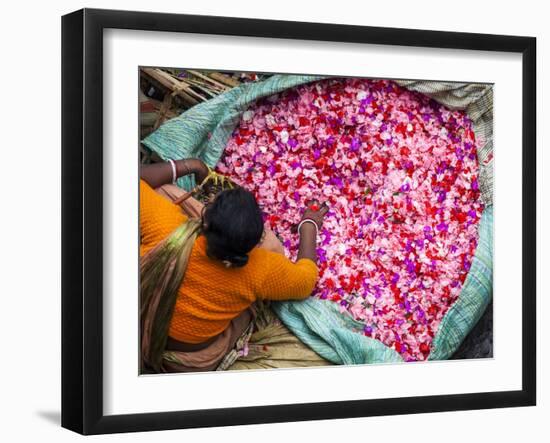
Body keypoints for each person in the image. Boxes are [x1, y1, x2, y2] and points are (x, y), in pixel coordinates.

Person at [139, 157, 328, 373]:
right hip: (189, 360)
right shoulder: (260, 269)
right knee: (273, 245)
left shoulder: (165, 227)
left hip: (140, 324)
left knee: (164, 191)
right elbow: (305, 281)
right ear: (253, 244)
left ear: (206, 222)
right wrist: (309, 226)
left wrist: (192, 165)